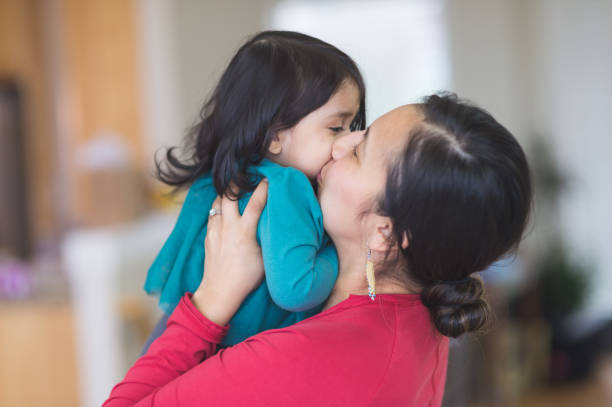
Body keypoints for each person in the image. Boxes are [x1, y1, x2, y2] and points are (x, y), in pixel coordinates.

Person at [104, 94, 532, 406]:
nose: (341, 144)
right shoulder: (423, 319)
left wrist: (212, 299)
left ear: (384, 232)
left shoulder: (312, 356)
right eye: (353, 129)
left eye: (360, 152)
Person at [143, 31, 366, 348]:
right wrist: (345, 250)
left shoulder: (229, 179)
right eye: (335, 128)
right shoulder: (287, 187)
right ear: (273, 135)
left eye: (352, 126)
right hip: (241, 354)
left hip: (191, 336)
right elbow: (298, 288)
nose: (346, 141)